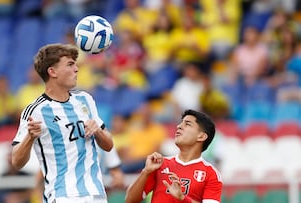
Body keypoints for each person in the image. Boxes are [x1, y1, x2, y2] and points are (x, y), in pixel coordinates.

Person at [11, 43, 114, 203]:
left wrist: (98, 131)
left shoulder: (85, 99)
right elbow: (16, 162)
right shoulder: (35, 110)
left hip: (96, 194)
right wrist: (30, 138)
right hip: (62, 196)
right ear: (52, 72)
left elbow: (109, 146)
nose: (77, 69)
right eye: (70, 64)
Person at [125, 109, 222, 203]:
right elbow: (130, 200)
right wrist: (145, 171)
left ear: (201, 136)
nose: (179, 126)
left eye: (187, 124)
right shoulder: (159, 164)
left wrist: (182, 198)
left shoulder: (211, 174)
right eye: (181, 123)